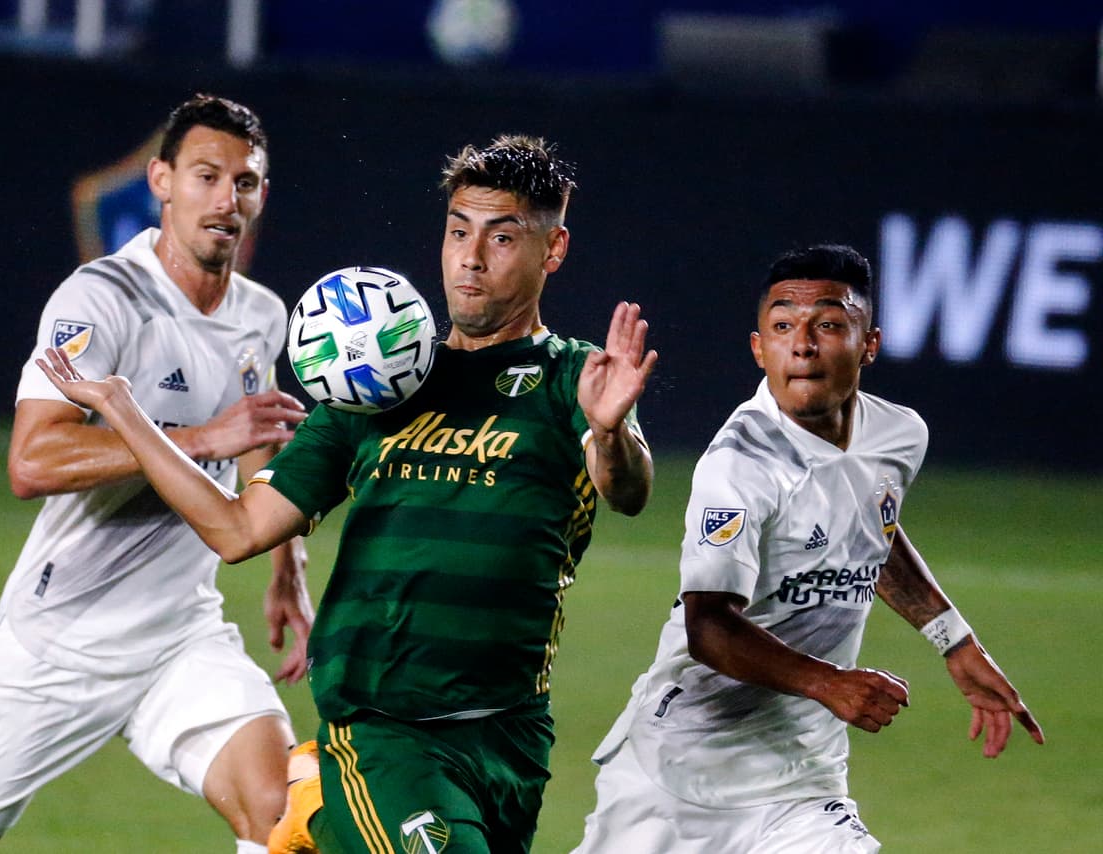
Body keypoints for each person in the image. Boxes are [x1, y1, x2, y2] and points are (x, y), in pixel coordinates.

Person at [32, 134, 658, 853]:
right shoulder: (374, 385)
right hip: (384, 728)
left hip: (509, 732)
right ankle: (321, 806)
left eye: (502, 237)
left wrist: (610, 431)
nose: (471, 258)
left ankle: (317, 821)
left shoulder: (575, 379)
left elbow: (627, 490)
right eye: (459, 231)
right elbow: (238, 530)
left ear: (554, 249)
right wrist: (128, 413)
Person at [0, 94, 313, 854]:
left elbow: (257, 436)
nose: (226, 199)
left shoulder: (262, 313)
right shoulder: (102, 298)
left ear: (262, 196)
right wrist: (198, 438)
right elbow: (31, 460)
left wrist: (286, 563)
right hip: (58, 647)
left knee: (283, 814)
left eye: (243, 183)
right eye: (207, 176)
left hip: (180, 636)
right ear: (161, 181)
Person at [572, 243, 1045, 853]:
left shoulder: (898, 435)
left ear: (868, 344)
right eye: (783, 327)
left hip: (802, 778)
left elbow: (871, 527)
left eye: (827, 325)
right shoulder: (740, 464)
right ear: (758, 348)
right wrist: (831, 684)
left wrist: (954, 640)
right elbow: (708, 627)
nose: (802, 345)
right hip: (676, 775)